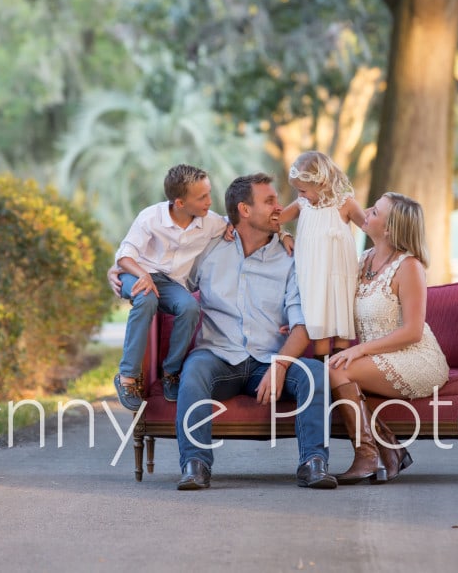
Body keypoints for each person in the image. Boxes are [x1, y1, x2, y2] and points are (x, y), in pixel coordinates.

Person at [112, 173, 337, 490]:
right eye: (269, 201)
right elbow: (162, 271)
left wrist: (281, 364)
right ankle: (195, 465)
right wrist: (120, 271)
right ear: (244, 210)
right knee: (194, 372)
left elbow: (303, 325)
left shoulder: (291, 258)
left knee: (314, 372)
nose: (279, 207)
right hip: (218, 357)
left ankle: (314, 463)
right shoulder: (208, 250)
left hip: (268, 362)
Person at [326, 192, 449, 484]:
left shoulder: (409, 267)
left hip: (416, 357)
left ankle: (367, 456)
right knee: (335, 372)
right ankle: (389, 449)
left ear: (390, 228)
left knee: (336, 370)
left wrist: (360, 351)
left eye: (376, 212)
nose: (367, 212)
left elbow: (412, 331)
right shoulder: (363, 260)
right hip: (378, 356)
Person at [112, 164, 229, 411]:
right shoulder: (150, 218)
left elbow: (238, 225)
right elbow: (125, 256)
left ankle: (171, 373)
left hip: (171, 284)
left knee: (189, 306)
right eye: (202, 197)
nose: (210, 201)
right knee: (146, 298)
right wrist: (143, 275)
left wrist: (282, 234)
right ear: (180, 203)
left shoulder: (210, 222)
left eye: (209, 193)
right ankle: (126, 378)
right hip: (136, 273)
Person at [279, 151, 365, 357]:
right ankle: (323, 376)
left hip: (341, 277)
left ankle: (339, 371)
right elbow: (273, 220)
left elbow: (372, 229)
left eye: (303, 190)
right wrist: (283, 235)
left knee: (341, 324)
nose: (300, 195)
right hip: (314, 280)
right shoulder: (303, 205)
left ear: (323, 183)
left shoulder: (346, 204)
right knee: (321, 329)